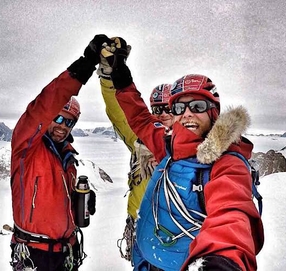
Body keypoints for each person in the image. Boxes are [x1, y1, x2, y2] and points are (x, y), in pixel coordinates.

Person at [98, 37, 264, 270]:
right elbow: (139, 117)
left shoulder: (227, 164)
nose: (186, 114)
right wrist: (121, 76)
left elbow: (231, 213)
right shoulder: (169, 146)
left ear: (213, 113)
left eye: (197, 107)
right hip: (146, 262)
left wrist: (221, 261)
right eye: (178, 107)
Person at [9, 35, 112, 271]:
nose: (63, 126)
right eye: (57, 118)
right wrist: (86, 64)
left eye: (69, 122)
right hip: (33, 254)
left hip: (67, 252)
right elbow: (45, 103)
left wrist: (78, 204)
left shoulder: (68, 157)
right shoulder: (26, 149)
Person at [99, 69, 174, 263]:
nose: (163, 114)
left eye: (169, 108)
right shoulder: (139, 139)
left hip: (172, 235)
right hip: (139, 225)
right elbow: (119, 114)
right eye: (157, 109)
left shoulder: (189, 148)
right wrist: (109, 79)